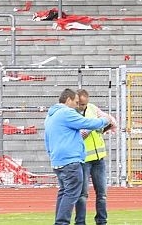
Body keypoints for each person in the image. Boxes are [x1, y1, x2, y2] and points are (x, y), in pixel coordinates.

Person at [44, 88, 110, 225]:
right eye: (75, 102)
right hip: (71, 161)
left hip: (58, 160)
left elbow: (47, 139)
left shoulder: (50, 116)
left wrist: (52, 155)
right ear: (68, 100)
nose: (77, 105)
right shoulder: (66, 112)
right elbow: (86, 123)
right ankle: (62, 222)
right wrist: (104, 120)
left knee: (64, 192)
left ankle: (60, 222)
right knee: (72, 193)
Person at [75, 89, 116, 225]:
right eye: (81, 104)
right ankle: (80, 222)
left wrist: (104, 124)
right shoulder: (71, 114)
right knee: (82, 194)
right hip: (84, 159)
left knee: (102, 194)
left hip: (99, 158)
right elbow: (79, 134)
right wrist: (92, 126)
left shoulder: (92, 108)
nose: (83, 107)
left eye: (85, 104)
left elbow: (108, 120)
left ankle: (102, 221)